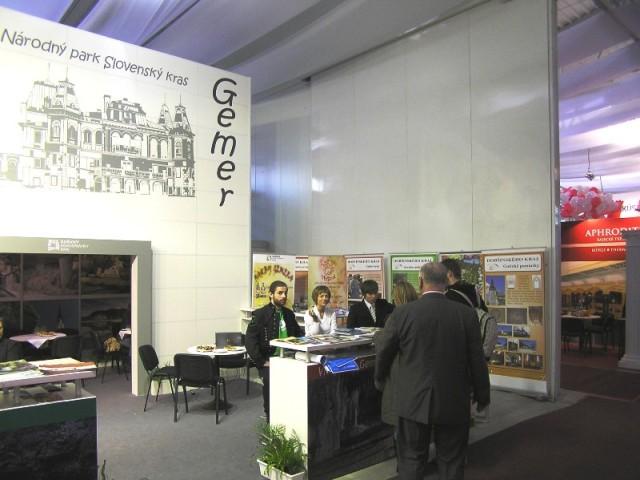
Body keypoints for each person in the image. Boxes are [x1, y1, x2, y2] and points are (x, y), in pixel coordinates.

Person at [375, 262, 490, 480]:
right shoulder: (466, 315)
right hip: (453, 400)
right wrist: (483, 395)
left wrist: (380, 380)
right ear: (447, 282)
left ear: (420, 282)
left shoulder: (402, 314)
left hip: (412, 401)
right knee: (452, 461)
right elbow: (477, 359)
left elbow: (384, 352)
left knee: (411, 460)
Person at [245, 280, 302, 421]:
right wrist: (261, 361)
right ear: (271, 294)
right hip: (269, 360)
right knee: (270, 384)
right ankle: (270, 416)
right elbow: (250, 340)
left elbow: (299, 334)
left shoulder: (289, 314)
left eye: (285, 293)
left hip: (289, 358)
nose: (284, 296)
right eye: (280, 293)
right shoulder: (260, 314)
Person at [375, 280, 418, 428]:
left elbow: (385, 346)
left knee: (400, 424)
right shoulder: (423, 313)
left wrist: (378, 336)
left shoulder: (396, 316)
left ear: (397, 298)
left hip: (400, 373)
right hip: (419, 376)